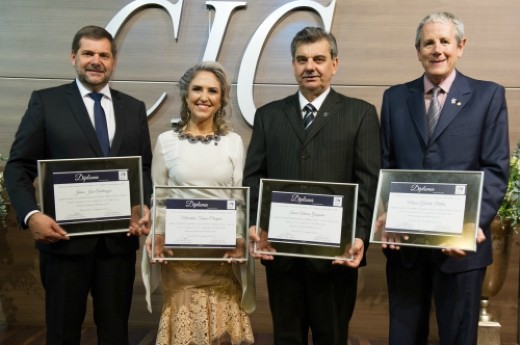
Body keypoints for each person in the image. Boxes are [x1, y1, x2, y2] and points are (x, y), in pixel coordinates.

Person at [3, 25, 153, 344]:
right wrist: (31, 215)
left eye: (104, 55)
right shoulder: (46, 103)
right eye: (88, 53)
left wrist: (143, 204)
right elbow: (18, 167)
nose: (95, 61)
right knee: (61, 332)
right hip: (63, 243)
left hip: (117, 244)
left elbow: (145, 167)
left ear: (113, 61)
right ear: (73, 57)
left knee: (115, 332)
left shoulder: (133, 108)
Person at [243, 26, 381, 344]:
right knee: (286, 337)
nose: (310, 66)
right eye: (302, 59)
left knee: (331, 337)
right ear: (293, 65)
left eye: (319, 58)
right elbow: (253, 177)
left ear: (335, 63)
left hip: (335, 258)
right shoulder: (268, 116)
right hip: (281, 257)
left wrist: (360, 235)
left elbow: (368, 182)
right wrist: (254, 224)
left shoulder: (360, 114)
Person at [379, 12, 509, 345]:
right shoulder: (395, 98)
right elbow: (386, 165)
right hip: (406, 247)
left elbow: (494, 169)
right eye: (428, 42)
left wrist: (471, 226)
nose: (437, 49)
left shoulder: (488, 96)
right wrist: (386, 215)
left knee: (458, 338)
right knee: (404, 337)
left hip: (461, 251)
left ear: (460, 46)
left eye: (444, 41)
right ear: (418, 50)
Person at [143, 61, 255, 345]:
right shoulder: (166, 141)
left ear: (221, 99)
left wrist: (240, 238)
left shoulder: (233, 142)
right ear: (185, 94)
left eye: (212, 91)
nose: (204, 96)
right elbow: (160, 196)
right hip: (180, 256)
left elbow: (238, 197)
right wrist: (156, 235)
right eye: (197, 89)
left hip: (222, 254)